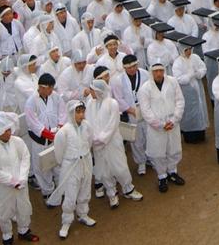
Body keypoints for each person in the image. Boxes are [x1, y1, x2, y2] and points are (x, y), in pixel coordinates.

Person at [86, 79, 143, 208]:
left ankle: (128, 189)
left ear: (98, 91)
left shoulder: (112, 103)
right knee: (103, 170)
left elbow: (113, 124)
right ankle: (112, 193)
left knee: (120, 167)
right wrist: (94, 139)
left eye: (92, 90)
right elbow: (88, 122)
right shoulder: (90, 103)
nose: (90, 92)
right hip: (97, 144)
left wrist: (102, 138)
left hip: (112, 142)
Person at [0, 112, 38, 244]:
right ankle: (7, 235)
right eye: (5, 131)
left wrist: (23, 177)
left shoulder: (17, 142)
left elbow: (25, 158)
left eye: (9, 130)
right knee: (5, 212)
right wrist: (11, 181)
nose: (8, 133)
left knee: (23, 207)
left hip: (21, 184)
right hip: (3, 187)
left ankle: (23, 230)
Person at [49, 100, 96, 240]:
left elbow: (90, 141)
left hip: (86, 161)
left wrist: (85, 155)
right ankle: (66, 222)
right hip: (71, 165)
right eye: (78, 112)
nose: (81, 115)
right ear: (71, 113)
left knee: (85, 189)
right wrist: (70, 160)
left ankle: (83, 214)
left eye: (82, 111)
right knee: (70, 194)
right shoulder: (63, 132)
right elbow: (59, 154)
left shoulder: (87, 126)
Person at [138, 61, 186, 191]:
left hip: (173, 124)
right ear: (151, 72)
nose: (159, 74)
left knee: (174, 149)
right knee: (158, 152)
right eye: (156, 71)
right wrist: (160, 125)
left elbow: (180, 101)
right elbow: (145, 110)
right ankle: (161, 177)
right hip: (156, 127)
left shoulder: (173, 82)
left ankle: (172, 172)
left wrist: (174, 119)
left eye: (161, 71)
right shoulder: (145, 88)